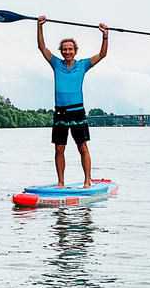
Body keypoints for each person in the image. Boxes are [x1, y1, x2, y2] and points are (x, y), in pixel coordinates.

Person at [37, 16, 109, 188]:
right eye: (64, 49)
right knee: (59, 148)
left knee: (82, 146)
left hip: (77, 111)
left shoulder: (83, 65)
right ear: (61, 51)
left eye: (70, 49)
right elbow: (41, 47)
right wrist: (39, 26)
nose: (67, 52)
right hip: (60, 112)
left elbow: (102, 54)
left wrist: (105, 35)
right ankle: (61, 182)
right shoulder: (55, 63)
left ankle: (87, 182)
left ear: (75, 50)